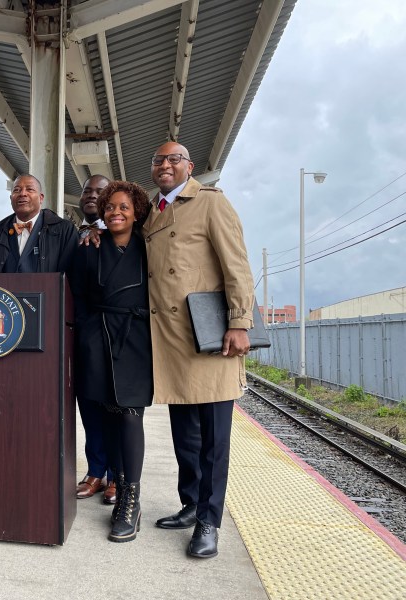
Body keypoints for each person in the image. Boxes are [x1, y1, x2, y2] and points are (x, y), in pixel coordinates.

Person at [144, 142, 254, 558]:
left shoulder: (210, 203)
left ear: (190, 166)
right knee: (184, 435)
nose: (166, 165)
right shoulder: (152, 212)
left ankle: (209, 520)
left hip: (210, 339)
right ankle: (190, 503)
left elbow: (236, 264)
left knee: (213, 440)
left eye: (174, 159)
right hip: (171, 340)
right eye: (159, 160)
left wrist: (240, 321)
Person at [68, 181, 153, 543]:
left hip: (137, 338)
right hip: (98, 337)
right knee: (106, 414)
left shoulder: (151, 245)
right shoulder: (90, 247)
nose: (116, 213)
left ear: (137, 212)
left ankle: (129, 498)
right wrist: (87, 336)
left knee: (130, 416)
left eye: (123, 207)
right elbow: (79, 296)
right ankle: (114, 481)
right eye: (109, 208)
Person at [73, 175, 118, 504]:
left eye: (99, 191)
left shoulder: (122, 232)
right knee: (88, 405)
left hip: (114, 334)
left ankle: (118, 475)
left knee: (113, 407)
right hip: (81, 333)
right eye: (87, 191)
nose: (91, 196)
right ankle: (96, 471)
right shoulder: (74, 235)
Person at [0, 174, 77, 274]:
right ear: (11, 199)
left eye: (30, 189)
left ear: (41, 198)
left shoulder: (65, 230)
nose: (22, 194)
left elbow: (71, 277)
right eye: (17, 190)